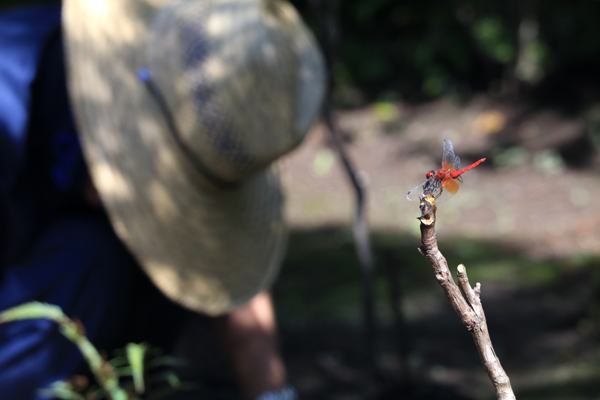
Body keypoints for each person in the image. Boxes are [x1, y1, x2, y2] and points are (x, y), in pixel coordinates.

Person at [0, 1, 325, 399]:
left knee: (165, 263)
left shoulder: (196, 88)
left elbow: (221, 256)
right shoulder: (9, 98)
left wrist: (272, 396)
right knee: (87, 261)